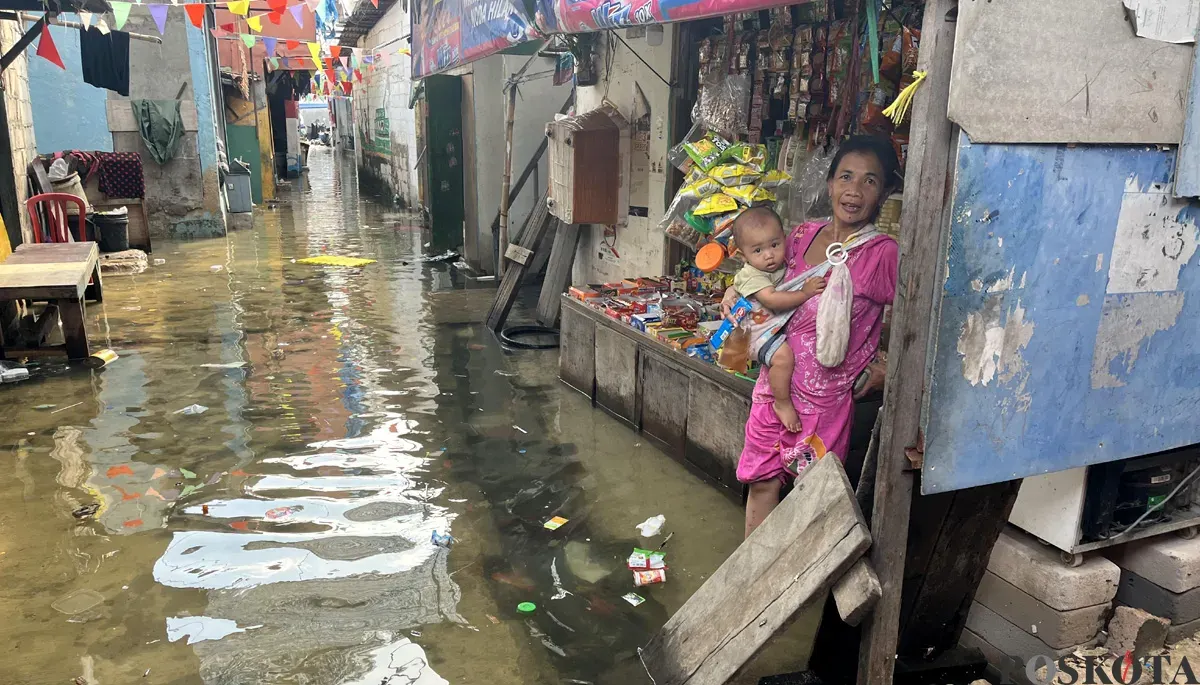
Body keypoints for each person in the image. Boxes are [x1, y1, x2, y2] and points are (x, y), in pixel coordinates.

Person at [723, 135, 899, 538]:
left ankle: (802, 589)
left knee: (812, 502)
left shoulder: (882, 253)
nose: (854, 190)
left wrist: (887, 366)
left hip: (825, 404)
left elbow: (912, 323)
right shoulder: (801, 235)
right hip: (774, 391)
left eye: (870, 181)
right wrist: (735, 293)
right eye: (846, 176)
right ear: (830, 183)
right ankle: (753, 587)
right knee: (763, 483)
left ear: (885, 191)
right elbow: (763, 282)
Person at [729, 207, 827, 433]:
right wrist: (805, 293)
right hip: (754, 333)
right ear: (743, 256)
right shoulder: (752, 274)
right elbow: (771, 300)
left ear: (785, 239)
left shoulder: (778, 266)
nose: (769, 255)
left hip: (766, 328)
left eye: (774, 245)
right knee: (783, 359)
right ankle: (781, 403)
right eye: (758, 250)